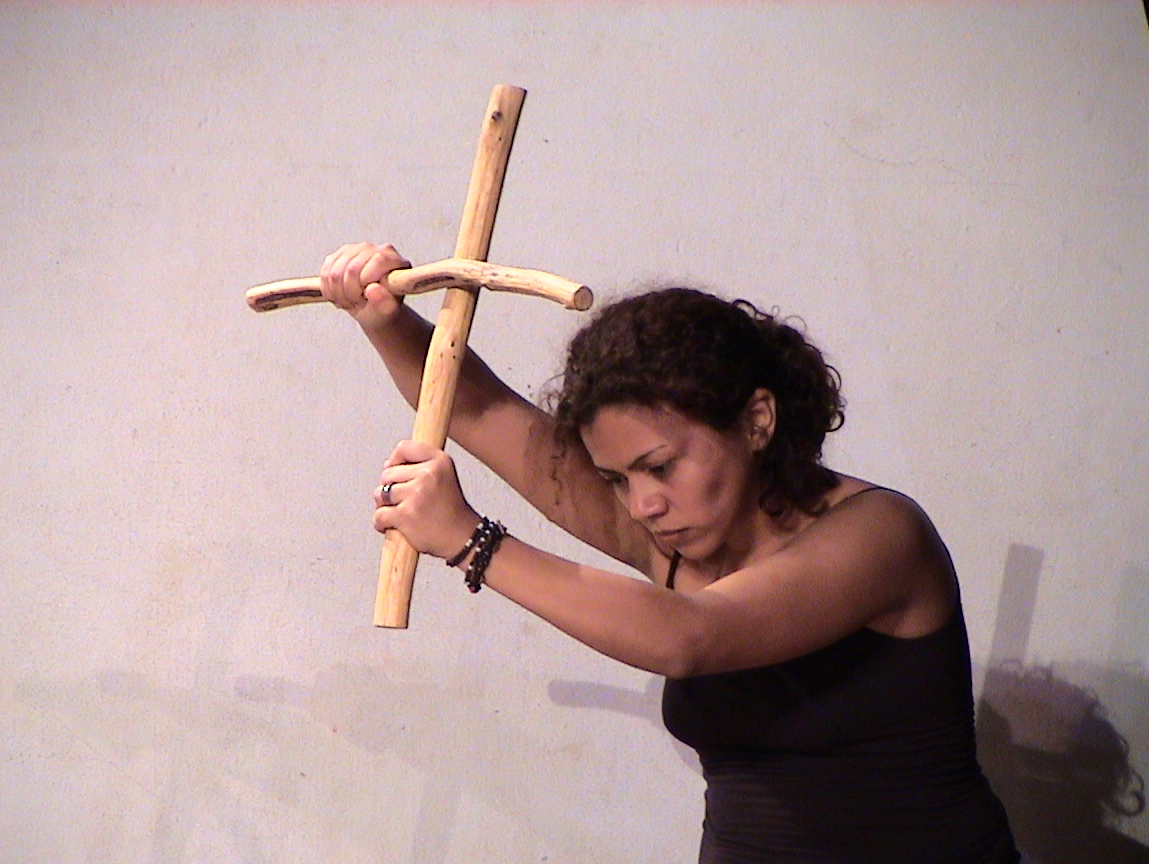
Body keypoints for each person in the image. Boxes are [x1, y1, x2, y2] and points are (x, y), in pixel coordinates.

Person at [319, 241, 1021, 863]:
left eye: (660, 467)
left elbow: (691, 636)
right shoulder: (671, 539)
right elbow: (475, 407)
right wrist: (384, 318)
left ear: (757, 420)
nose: (641, 505)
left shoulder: (882, 536)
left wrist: (473, 542)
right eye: (617, 480)